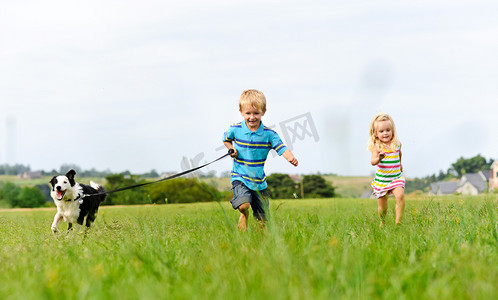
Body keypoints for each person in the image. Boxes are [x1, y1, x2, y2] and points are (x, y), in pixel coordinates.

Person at [223, 89, 298, 231]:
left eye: (256, 113)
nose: (252, 117)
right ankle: (244, 215)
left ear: (263, 112)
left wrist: (290, 157)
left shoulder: (269, 134)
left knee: (262, 219)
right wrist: (231, 148)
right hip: (240, 176)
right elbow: (225, 139)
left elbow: (281, 147)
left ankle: (258, 242)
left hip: (259, 181)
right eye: (248, 113)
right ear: (241, 112)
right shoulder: (235, 129)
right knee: (243, 205)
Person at [368, 113, 405, 226]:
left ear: (392, 131)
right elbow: (373, 161)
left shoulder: (397, 144)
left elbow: (399, 154)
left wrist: (400, 164)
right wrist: (379, 158)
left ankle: (398, 222)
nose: (385, 133)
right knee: (383, 207)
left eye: (388, 130)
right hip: (382, 181)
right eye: (381, 131)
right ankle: (382, 222)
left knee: (400, 195)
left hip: (395, 178)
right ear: (376, 134)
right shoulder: (377, 147)